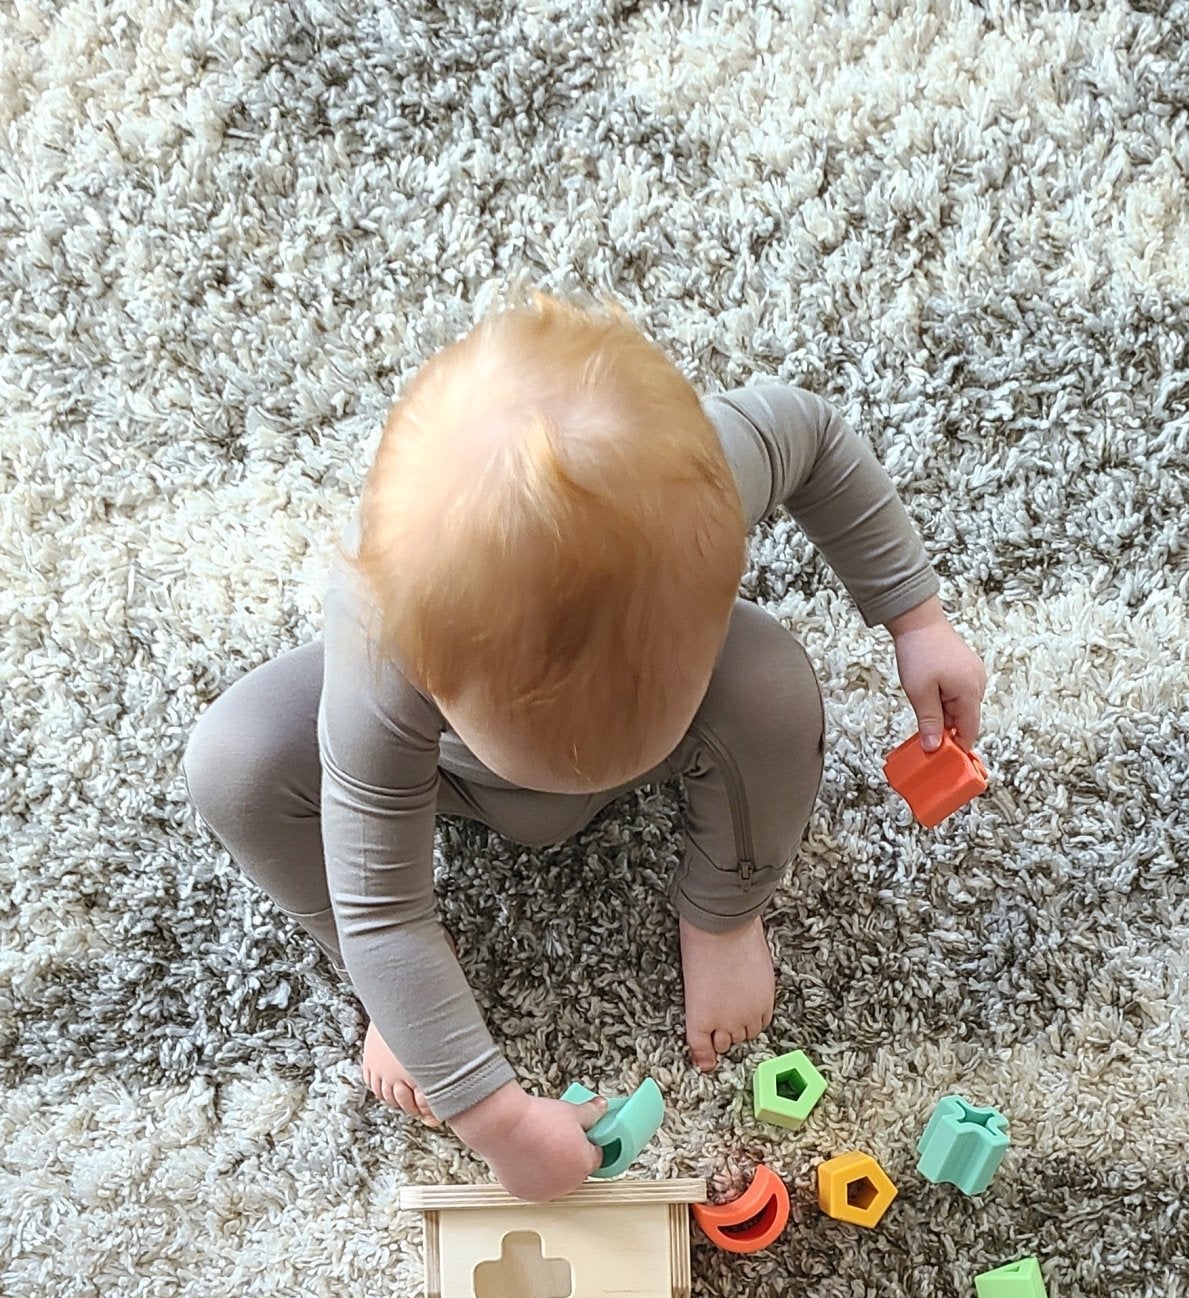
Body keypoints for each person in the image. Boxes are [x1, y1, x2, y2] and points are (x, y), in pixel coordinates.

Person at [182, 290, 987, 1199]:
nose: (580, 788)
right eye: (557, 751)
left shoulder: (708, 475)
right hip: (438, 775)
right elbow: (387, 913)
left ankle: (721, 908)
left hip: (675, 706)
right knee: (235, 764)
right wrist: (497, 1117)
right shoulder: (385, 650)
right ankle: (388, 995)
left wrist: (914, 619)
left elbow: (819, 437)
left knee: (771, 685)